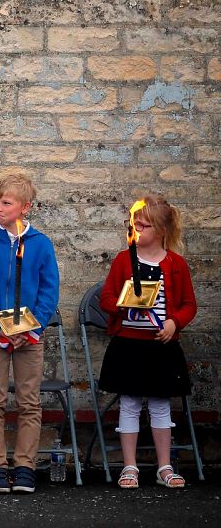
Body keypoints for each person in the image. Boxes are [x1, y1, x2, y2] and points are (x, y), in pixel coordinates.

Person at [0, 173, 59, 494]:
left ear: (25, 207)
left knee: (29, 402)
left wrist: (31, 326)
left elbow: (49, 291)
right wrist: (1, 322)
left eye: (6, 202)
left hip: (29, 335)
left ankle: (24, 467)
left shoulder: (41, 244)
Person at [98, 196, 195, 490]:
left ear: (162, 229)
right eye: (134, 224)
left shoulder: (175, 264)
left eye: (144, 225)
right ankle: (130, 466)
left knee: (160, 405)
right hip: (128, 344)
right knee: (128, 404)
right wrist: (123, 305)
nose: (137, 228)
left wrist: (173, 322)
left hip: (160, 346)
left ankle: (164, 466)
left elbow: (189, 304)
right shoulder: (122, 260)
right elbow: (106, 298)